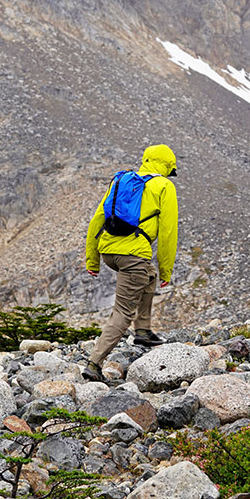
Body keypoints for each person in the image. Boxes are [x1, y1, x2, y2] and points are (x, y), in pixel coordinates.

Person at [82, 143, 178, 382]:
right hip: (133, 255)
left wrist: (92, 259)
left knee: (150, 274)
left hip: (108, 251)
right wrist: (168, 269)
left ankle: (143, 330)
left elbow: (98, 219)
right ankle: (94, 363)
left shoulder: (122, 180)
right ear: (167, 166)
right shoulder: (164, 185)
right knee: (123, 311)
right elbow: (168, 233)